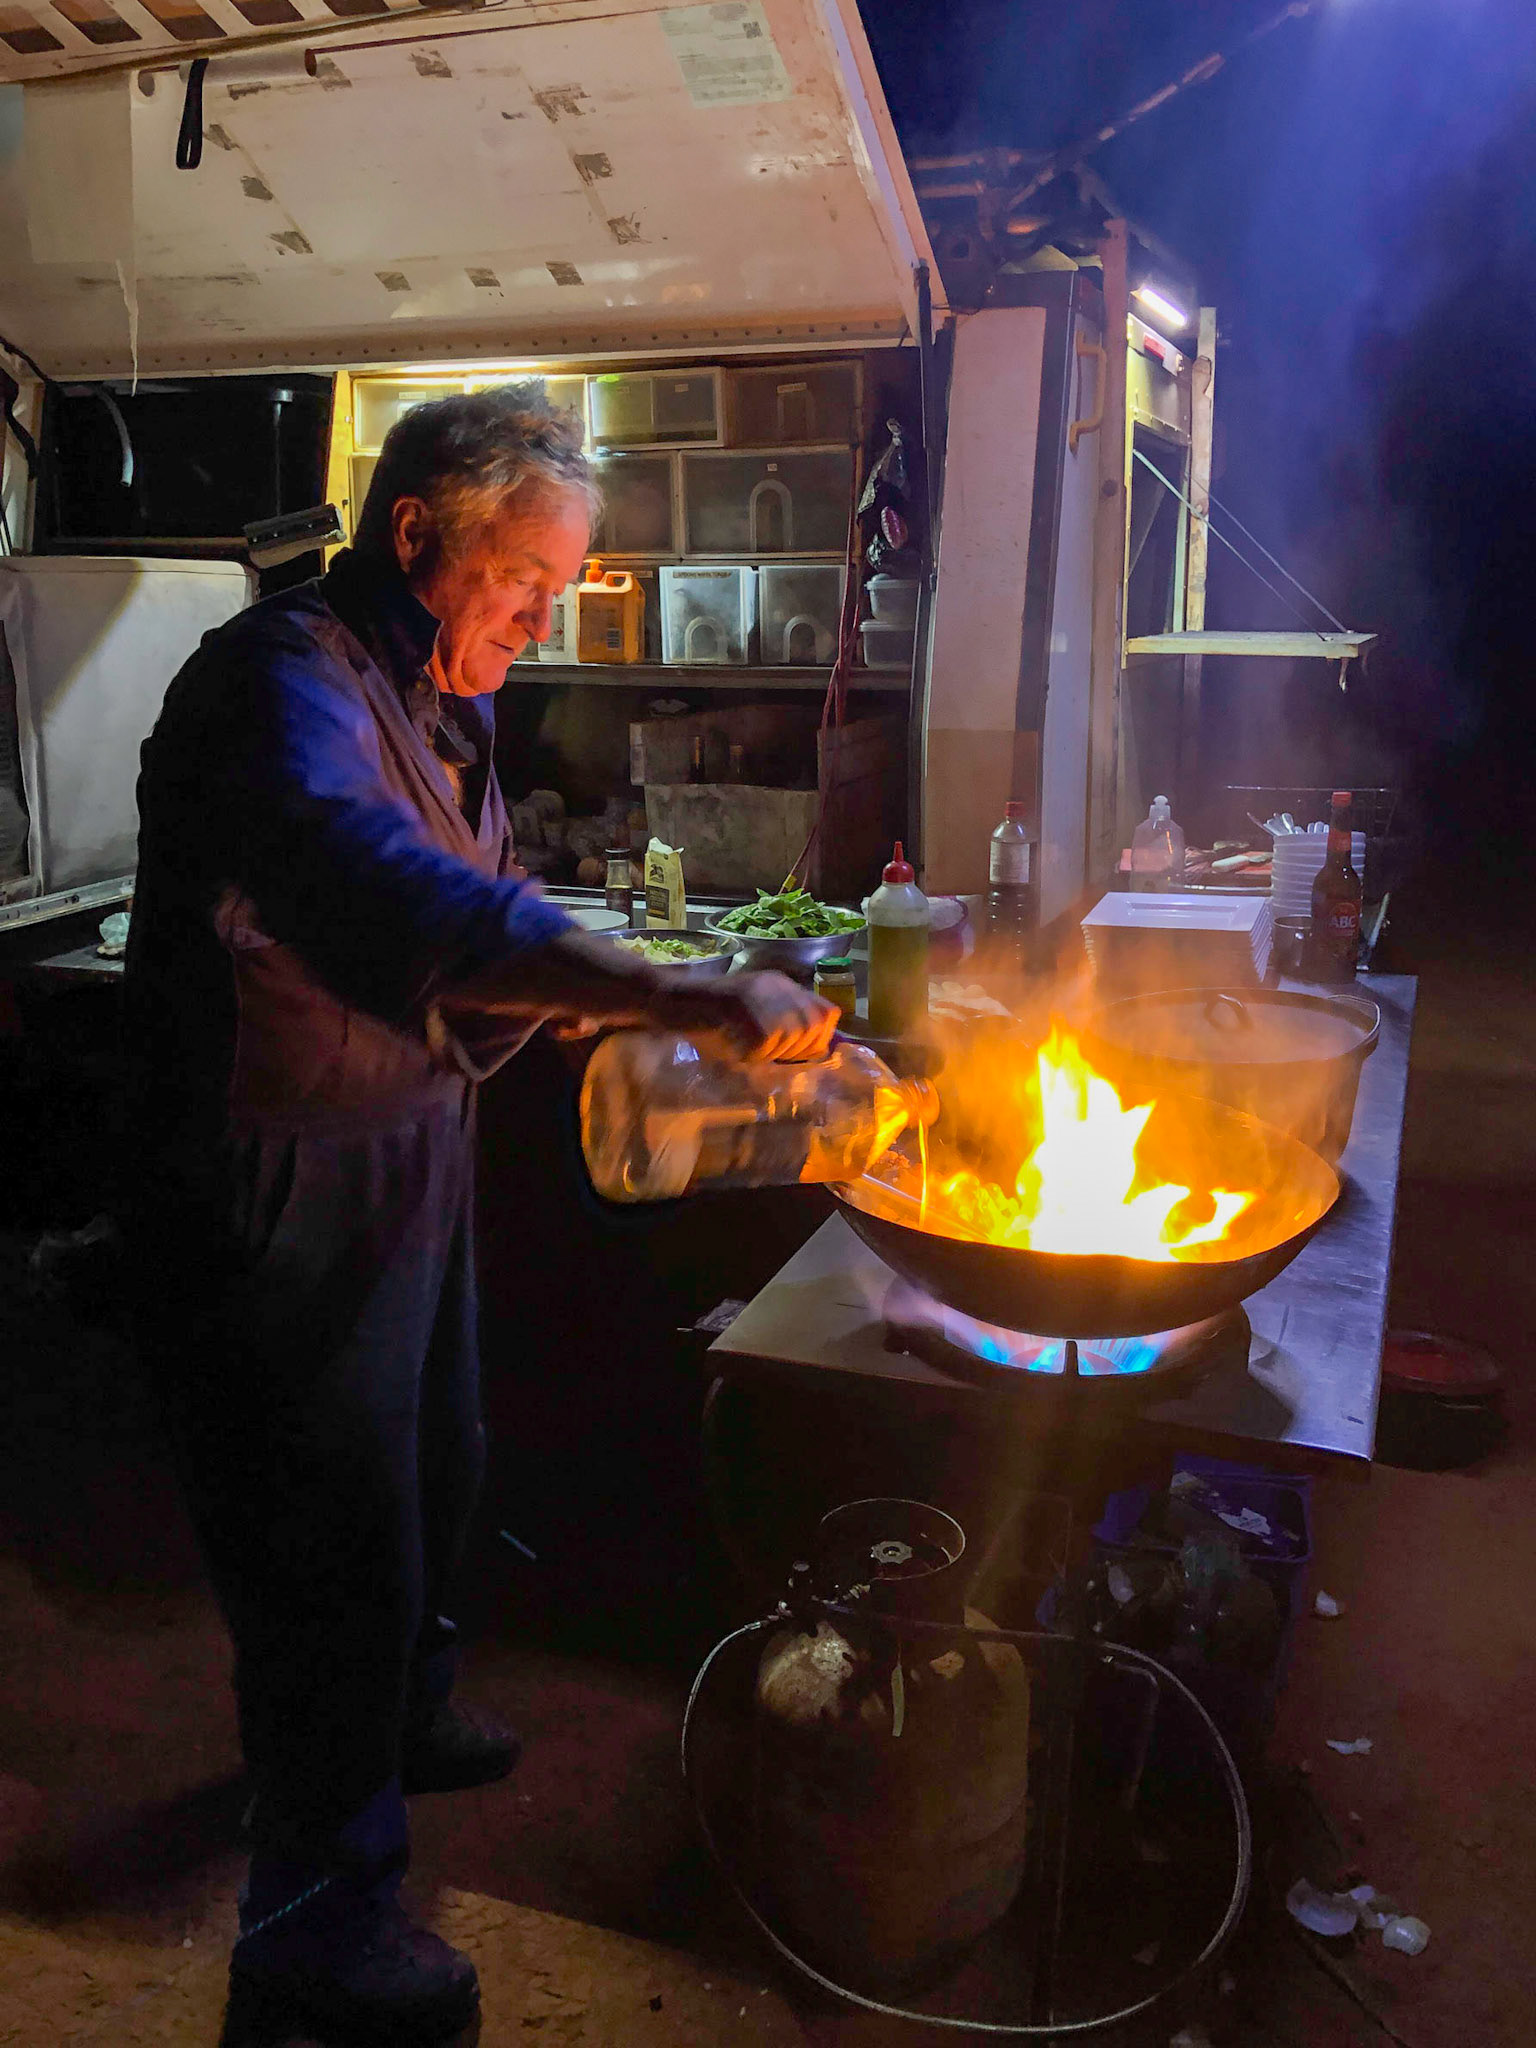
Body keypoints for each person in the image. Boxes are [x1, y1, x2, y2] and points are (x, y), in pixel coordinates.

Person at [121, 385, 834, 2043]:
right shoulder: (282, 681)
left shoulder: (440, 693)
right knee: (330, 1539)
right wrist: (659, 984)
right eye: (525, 575)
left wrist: (588, 1001)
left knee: (437, 1454)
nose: (544, 613)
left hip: (407, 1137)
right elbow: (386, 887)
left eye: (565, 585)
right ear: (418, 531)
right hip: (278, 1158)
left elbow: (476, 896)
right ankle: (314, 1924)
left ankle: (410, 1712)